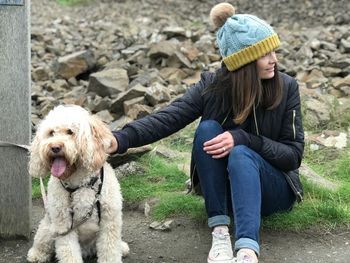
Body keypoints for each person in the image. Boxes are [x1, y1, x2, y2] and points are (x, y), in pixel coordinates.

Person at [109, 3, 304, 263]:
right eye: (264, 53)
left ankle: (247, 250)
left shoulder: (286, 87)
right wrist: (120, 139)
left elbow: (292, 156)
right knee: (208, 128)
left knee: (241, 153)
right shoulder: (212, 86)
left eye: (273, 51)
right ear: (243, 61)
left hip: (273, 190)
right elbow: (169, 117)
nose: (274, 60)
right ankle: (220, 233)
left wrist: (244, 139)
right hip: (224, 192)